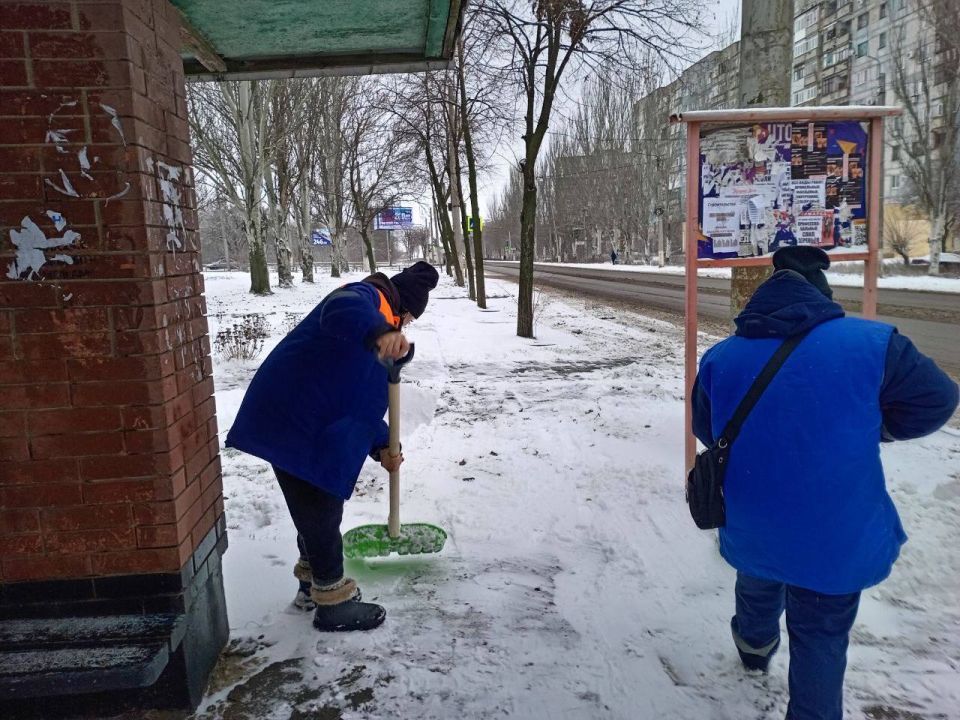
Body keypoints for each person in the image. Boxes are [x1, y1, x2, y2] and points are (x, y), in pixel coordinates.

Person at [691, 246, 958, 720]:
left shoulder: (721, 357)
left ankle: (753, 650)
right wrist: (874, 426)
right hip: (832, 530)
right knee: (820, 635)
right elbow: (937, 402)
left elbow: (709, 431)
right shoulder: (874, 345)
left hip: (753, 516)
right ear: (823, 297)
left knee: (757, 580)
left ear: (760, 300)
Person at [226, 261, 440, 632]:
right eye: (407, 319)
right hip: (295, 418)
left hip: (303, 419)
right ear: (403, 308)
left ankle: (310, 587)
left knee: (315, 510)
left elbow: (358, 399)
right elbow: (342, 307)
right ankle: (333, 601)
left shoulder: (379, 334)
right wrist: (379, 331)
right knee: (320, 510)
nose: (404, 326)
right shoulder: (365, 299)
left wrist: (382, 446)